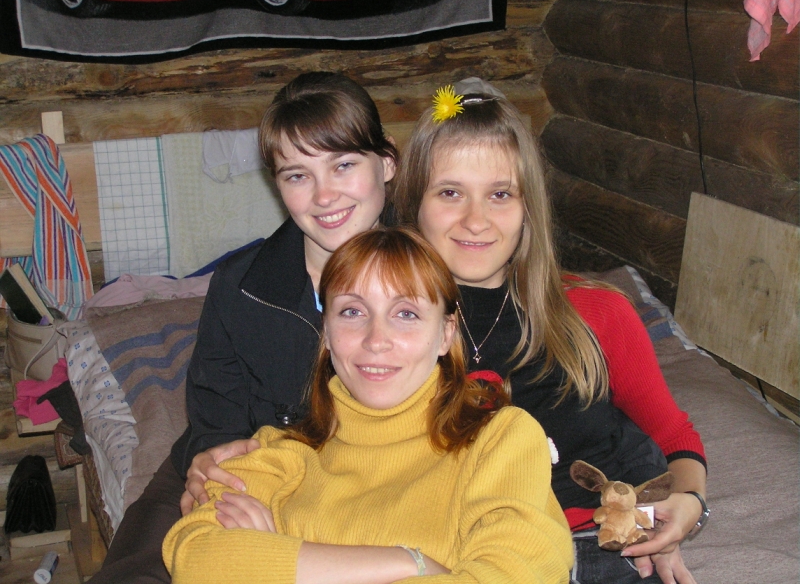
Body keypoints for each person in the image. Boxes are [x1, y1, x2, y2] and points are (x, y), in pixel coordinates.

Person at [390, 80, 707, 584]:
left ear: (528, 207)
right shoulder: (388, 329)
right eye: (450, 193)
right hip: (479, 555)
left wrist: (688, 505)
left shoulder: (598, 311)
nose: (476, 220)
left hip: (605, 543)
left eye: (500, 194)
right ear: (413, 205)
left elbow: (672, 433)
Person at [88, 71, 398, 584]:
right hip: (244, 464)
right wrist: (217, 470)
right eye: (297, 175)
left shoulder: (430, 280)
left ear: (385, 163)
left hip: (357, 484)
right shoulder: (241, 284)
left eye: (343, 165)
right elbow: (214, 412)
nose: (324, 196)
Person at [163, 227, 573, 584]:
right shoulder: (279, 452)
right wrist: (410, 562)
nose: (376, 340)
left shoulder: (502, 441)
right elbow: (194, 558)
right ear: (326, 332)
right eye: (352, 311)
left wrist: (279, 564)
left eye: (406, 313)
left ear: (446, 333)